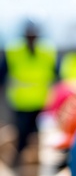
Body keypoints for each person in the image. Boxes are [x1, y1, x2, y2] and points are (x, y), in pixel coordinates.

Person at [0, 20, 57, 164]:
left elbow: (56, 75)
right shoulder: (14, 51)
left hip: (41, 102)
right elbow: (2, 75)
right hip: (21, 102)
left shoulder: (47, 51)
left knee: (38, 135)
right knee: (22, 134)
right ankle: (19, 162)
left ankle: (33, 162)